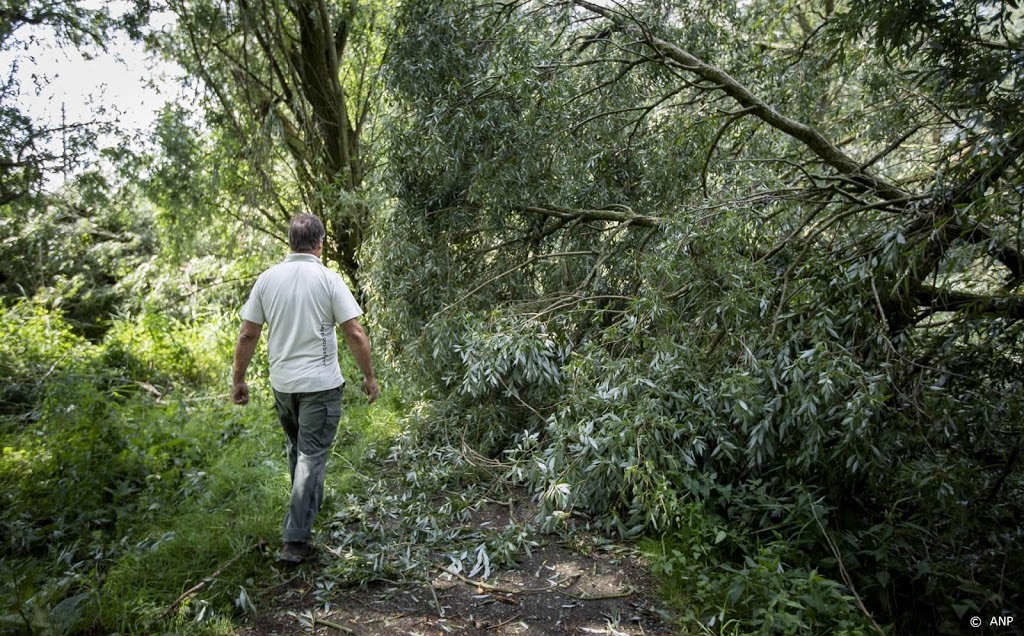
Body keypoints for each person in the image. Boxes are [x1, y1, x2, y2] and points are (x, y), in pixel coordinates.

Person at [231, 214, 379, 563]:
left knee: (299, 452)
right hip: (321, 386)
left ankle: (303, 516)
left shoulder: (267, 280)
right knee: (310, 456)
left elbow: (247, 334)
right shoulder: (328, 279)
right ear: (320, 244)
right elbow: (355, 333)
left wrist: (238, 378)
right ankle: (295, 541)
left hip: (283, 385)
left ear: (290, 242)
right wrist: (370, 377)